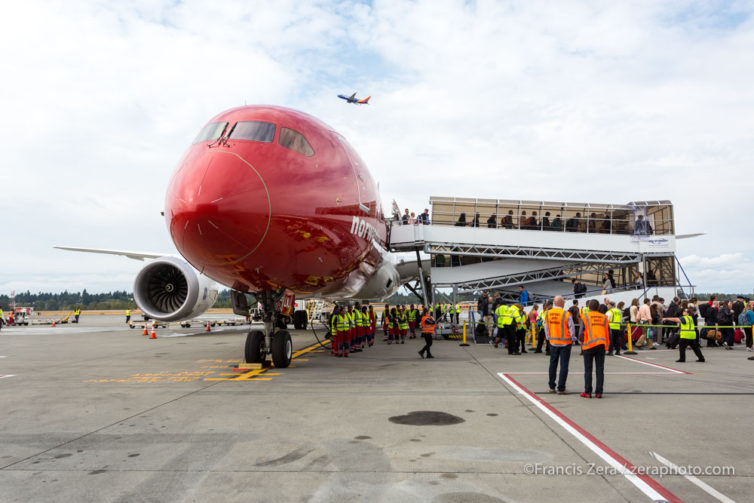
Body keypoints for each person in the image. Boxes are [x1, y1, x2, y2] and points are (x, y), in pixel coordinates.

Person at [544, 296, 576, 394]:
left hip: (553, 343)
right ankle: (561, 388)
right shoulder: (566, 314)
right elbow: (571, 328)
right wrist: (573, 338)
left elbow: (546, 327)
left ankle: (551, 386)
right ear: (561, 303)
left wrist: (548, 338)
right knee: (564, 365)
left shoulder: (548, 313)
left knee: (552, 364)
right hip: (565, 343)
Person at [579, 299, 610, 398]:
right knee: (600, 370)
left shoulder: (585, 316)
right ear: (598, 307)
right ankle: (599, 392)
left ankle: (588, 392)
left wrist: (581, 341)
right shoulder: (604, 317)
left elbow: (580, 333)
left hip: (588, 346)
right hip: (601, 345)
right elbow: (609, 333)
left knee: (588, 369)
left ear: (589, 307)